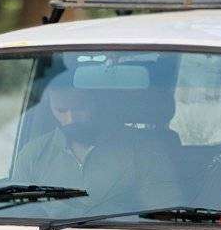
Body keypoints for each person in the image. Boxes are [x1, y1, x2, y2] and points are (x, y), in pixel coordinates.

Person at [15, 70, 183, 215]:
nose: (70, 119)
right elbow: (19, 217)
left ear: (98, 103)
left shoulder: (144, 150)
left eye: (80, 108)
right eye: (61, 110)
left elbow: (165, 215)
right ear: (50, 107)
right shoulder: (33, 154)